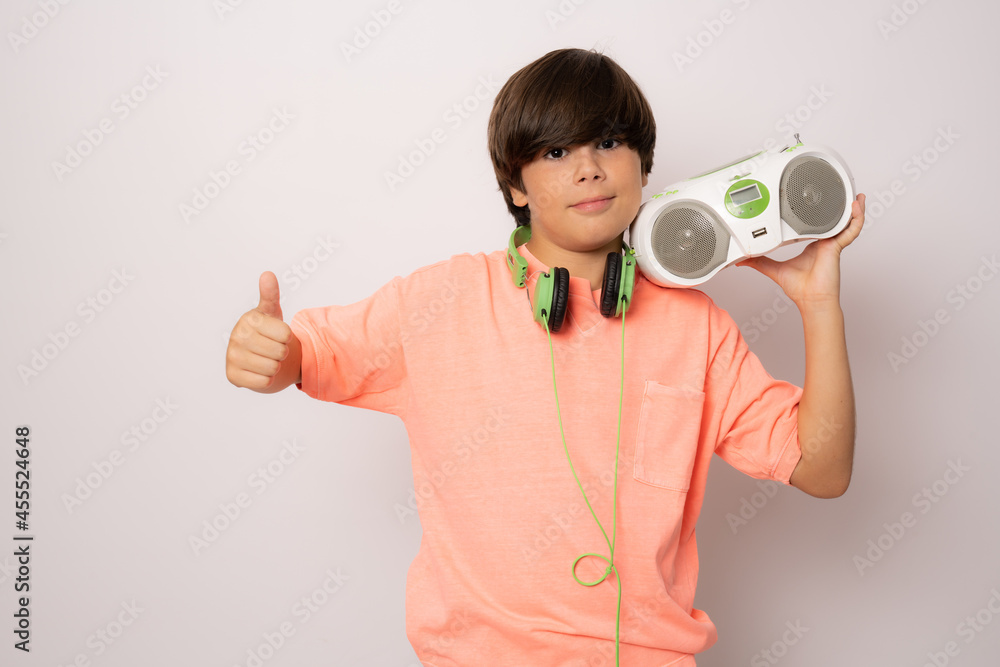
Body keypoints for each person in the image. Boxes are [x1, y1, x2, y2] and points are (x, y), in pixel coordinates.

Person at [225, 47, 866, 667]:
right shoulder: (441, 299)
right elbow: (308, 354)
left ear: (645, 169)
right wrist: (269, 353)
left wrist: (818, 304)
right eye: (557, 151)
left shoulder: (697, 327)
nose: (588, 168)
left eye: (609, 143)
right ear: (516, 184)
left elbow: (823, 470)